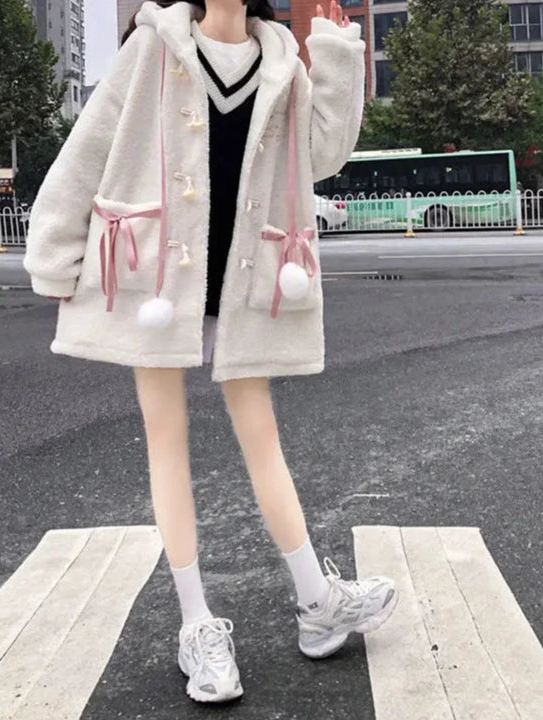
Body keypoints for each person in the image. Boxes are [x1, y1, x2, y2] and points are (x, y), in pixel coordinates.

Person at [23, 0, 398, 704]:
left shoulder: (281, 60)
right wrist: (54, 254)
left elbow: (325, 154)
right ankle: (197, 625)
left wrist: (337, 52)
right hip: (158, 280)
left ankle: (317, 602)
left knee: (263, 437)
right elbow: (89, 147)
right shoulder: (153, 46)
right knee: (166, 440)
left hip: (244, 277)